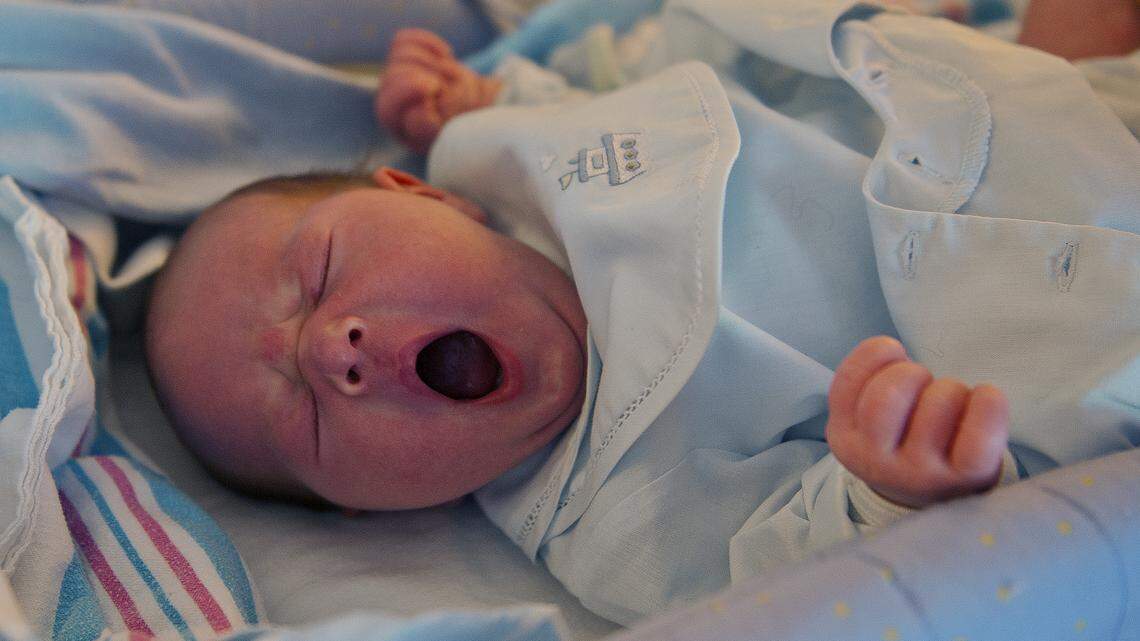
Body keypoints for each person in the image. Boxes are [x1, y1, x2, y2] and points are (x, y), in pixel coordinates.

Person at [146, 0, 1140, 625]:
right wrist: (889, 492)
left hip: (1002, 118)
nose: (336, 351)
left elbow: (651, 78)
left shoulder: (513, 153)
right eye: (306, 418)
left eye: (320, 268)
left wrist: (484, 90)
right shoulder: (609, 527)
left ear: (424, 194)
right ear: (377, 511)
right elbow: (786, 577)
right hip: (1043, 322)